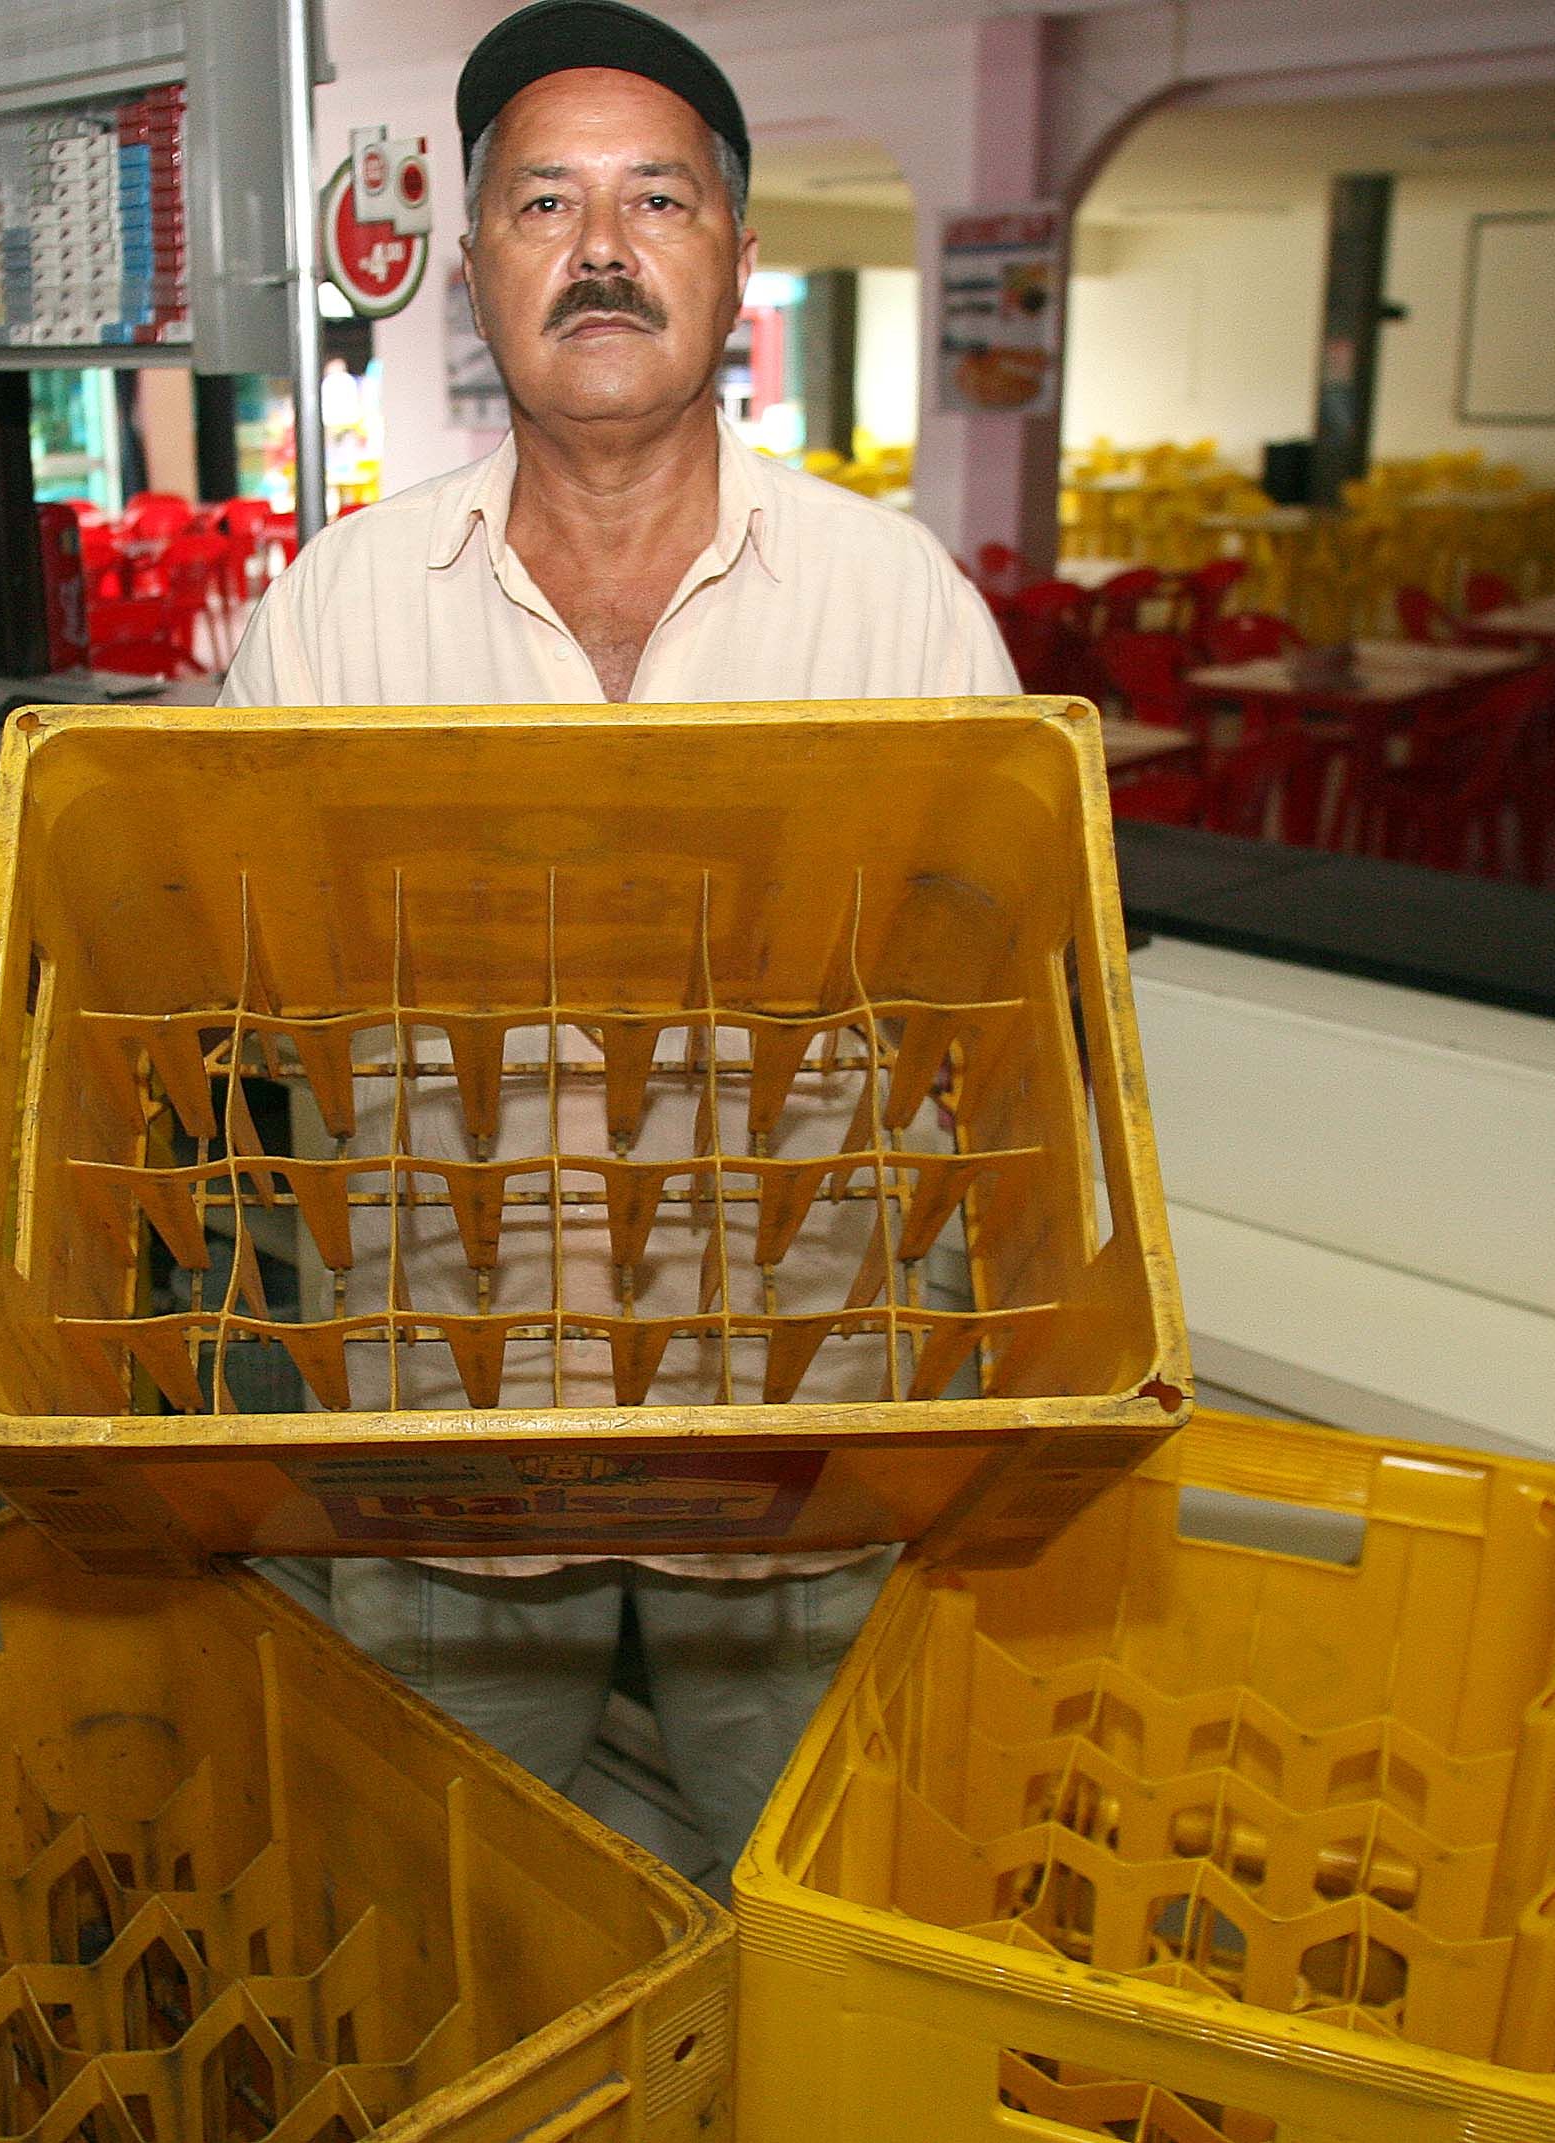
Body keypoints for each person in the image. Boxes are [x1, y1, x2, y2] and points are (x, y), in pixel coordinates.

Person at [219, 0, 1014, 1882]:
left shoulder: (894, 608)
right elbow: (236, 1007)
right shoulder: (334, 617)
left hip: (799, 1438)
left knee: (820, 1918)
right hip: (445, 1437)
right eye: (540, 203)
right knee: (449, 1917)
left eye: (655, 199)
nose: (596, 248)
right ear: (474, 270)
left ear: (732, 259)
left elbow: (997, 1020)